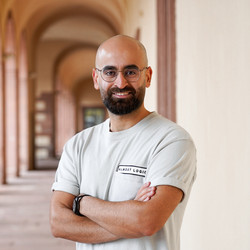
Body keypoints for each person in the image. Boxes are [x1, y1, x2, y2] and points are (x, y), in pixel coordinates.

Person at [50, 35, 196, 250]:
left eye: (131, 72)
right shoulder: (78, 145)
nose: (121, 82)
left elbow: (146, 222)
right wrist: (127, 217)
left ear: (147, 76)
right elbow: (59, 223)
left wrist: (80, 202)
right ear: (96, 78)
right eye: (110, 72)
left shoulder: (171, 140)